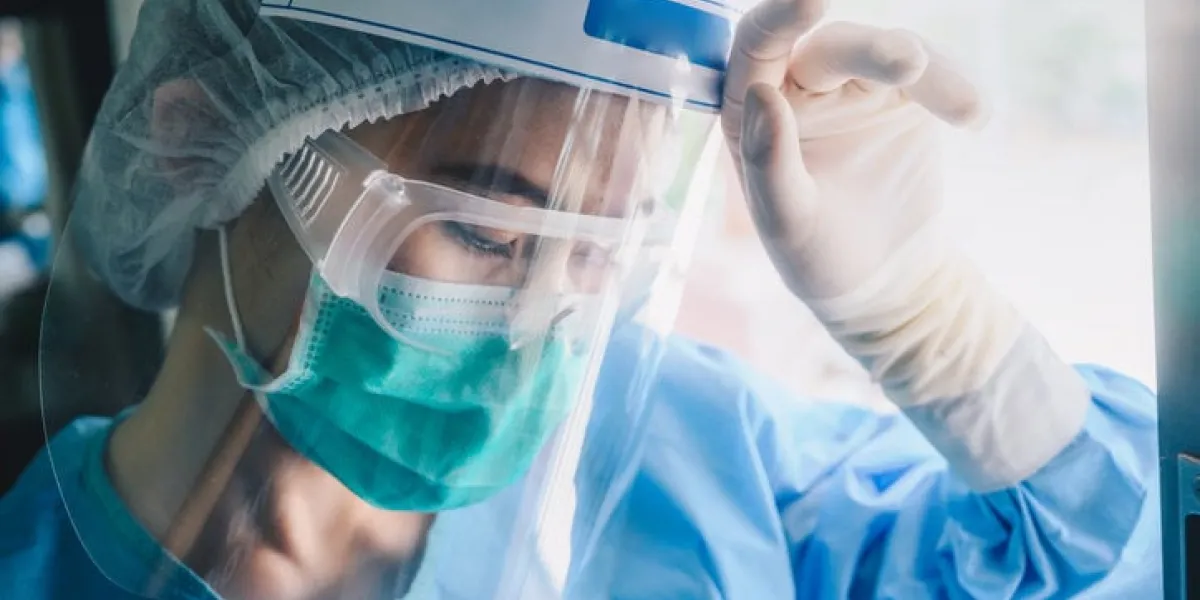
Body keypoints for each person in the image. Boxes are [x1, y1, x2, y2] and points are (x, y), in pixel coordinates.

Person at [0, 0, 1160, 598]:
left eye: (605, 254)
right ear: (206, 142)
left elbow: (1099, 551)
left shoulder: (693, 460)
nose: (542, 326)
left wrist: (928, 322)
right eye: (484, 231)